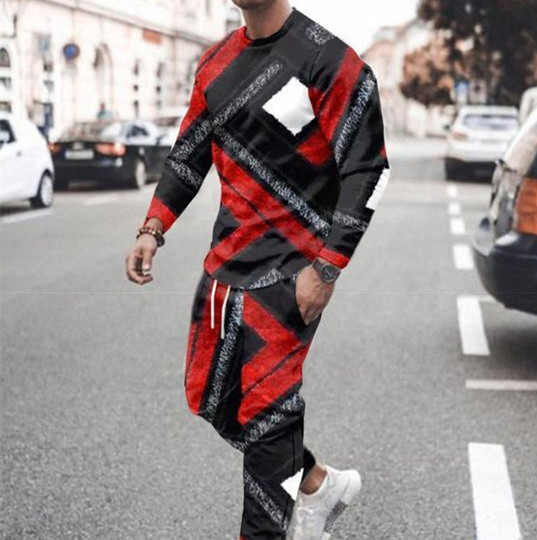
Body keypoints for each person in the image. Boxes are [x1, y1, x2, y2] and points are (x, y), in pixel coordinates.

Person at [125, 1, 390, 538]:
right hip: (226, 264)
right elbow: (188, 156)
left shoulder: (331, 61)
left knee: (269, 413)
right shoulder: (215, 64)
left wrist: (327, 267)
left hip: (292, 273)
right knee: (213, 397)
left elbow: (367, 169)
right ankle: (314, 481)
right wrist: (153, 227)